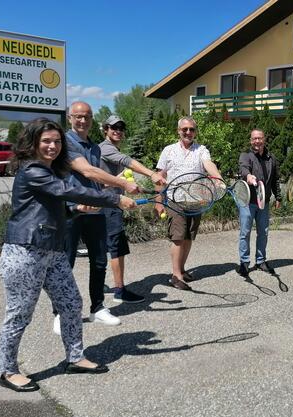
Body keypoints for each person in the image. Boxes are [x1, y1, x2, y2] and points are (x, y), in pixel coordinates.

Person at [0, 118, 136, 392]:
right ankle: (8, 370)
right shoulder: (32, 170)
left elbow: (53, 205)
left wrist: (76, 211)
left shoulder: (51, 172)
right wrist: (115, 197)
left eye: (57, 141)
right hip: (25, 251)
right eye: (46, 141)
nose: (52, 146)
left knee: (71, 304)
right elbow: (67, 190)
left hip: (52, 250)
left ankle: (75, 358)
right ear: (33, 143)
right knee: (19, 314)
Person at [52, 101, 139, 334]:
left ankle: (97, 308)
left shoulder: (95, 148)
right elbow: (87, 171)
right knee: (65, 263)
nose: (82, 121)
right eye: (78, 116)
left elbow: (97, 180)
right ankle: (61, 312)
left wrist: (118, 189)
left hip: (95, 210)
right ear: (70, 117)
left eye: (87, 117)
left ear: (92, 119)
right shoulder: (65, 143)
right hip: (71, 209)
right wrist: (123, 184)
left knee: (99, 261)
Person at [99, 115, 166, 303]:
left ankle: (99, 286)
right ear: (106, 129)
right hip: (109, 205)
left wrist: (136, 187)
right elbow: (128, 162)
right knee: (117, 247)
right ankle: (120, 291)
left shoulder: (108, 149)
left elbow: (112, 178)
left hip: (109, 202)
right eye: (114, 127)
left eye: (121, 127)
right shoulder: (106, 148)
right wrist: (152, 174)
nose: (118, 130)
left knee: (102, 247)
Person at [155, 117, 222, 290]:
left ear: (195, 132)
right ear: (178, 131)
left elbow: (209, 164)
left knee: (188, 237)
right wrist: (158, 200)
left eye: (191, 129)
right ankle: (175, 276)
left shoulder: (201, 150)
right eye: (184, 129)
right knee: (178, 238)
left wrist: (217, 177)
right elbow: (160, 176)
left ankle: (182, 270)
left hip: (196, 201)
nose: (188, 132)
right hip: (175, 201)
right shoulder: (168, 150)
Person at [236, 128, 281, 277]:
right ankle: (244, 262)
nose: (257, 141)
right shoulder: (246, 156)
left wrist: (278, 197)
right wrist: (248, 176)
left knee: (264, 233)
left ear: (264, 139)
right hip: (248, 202)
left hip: (264, 202)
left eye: (260, 138)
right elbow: (243, 168)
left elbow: (275, 180)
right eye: (254, 138)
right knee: (245, 232)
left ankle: (261, 261)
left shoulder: (271, 158)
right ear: (251, 140)